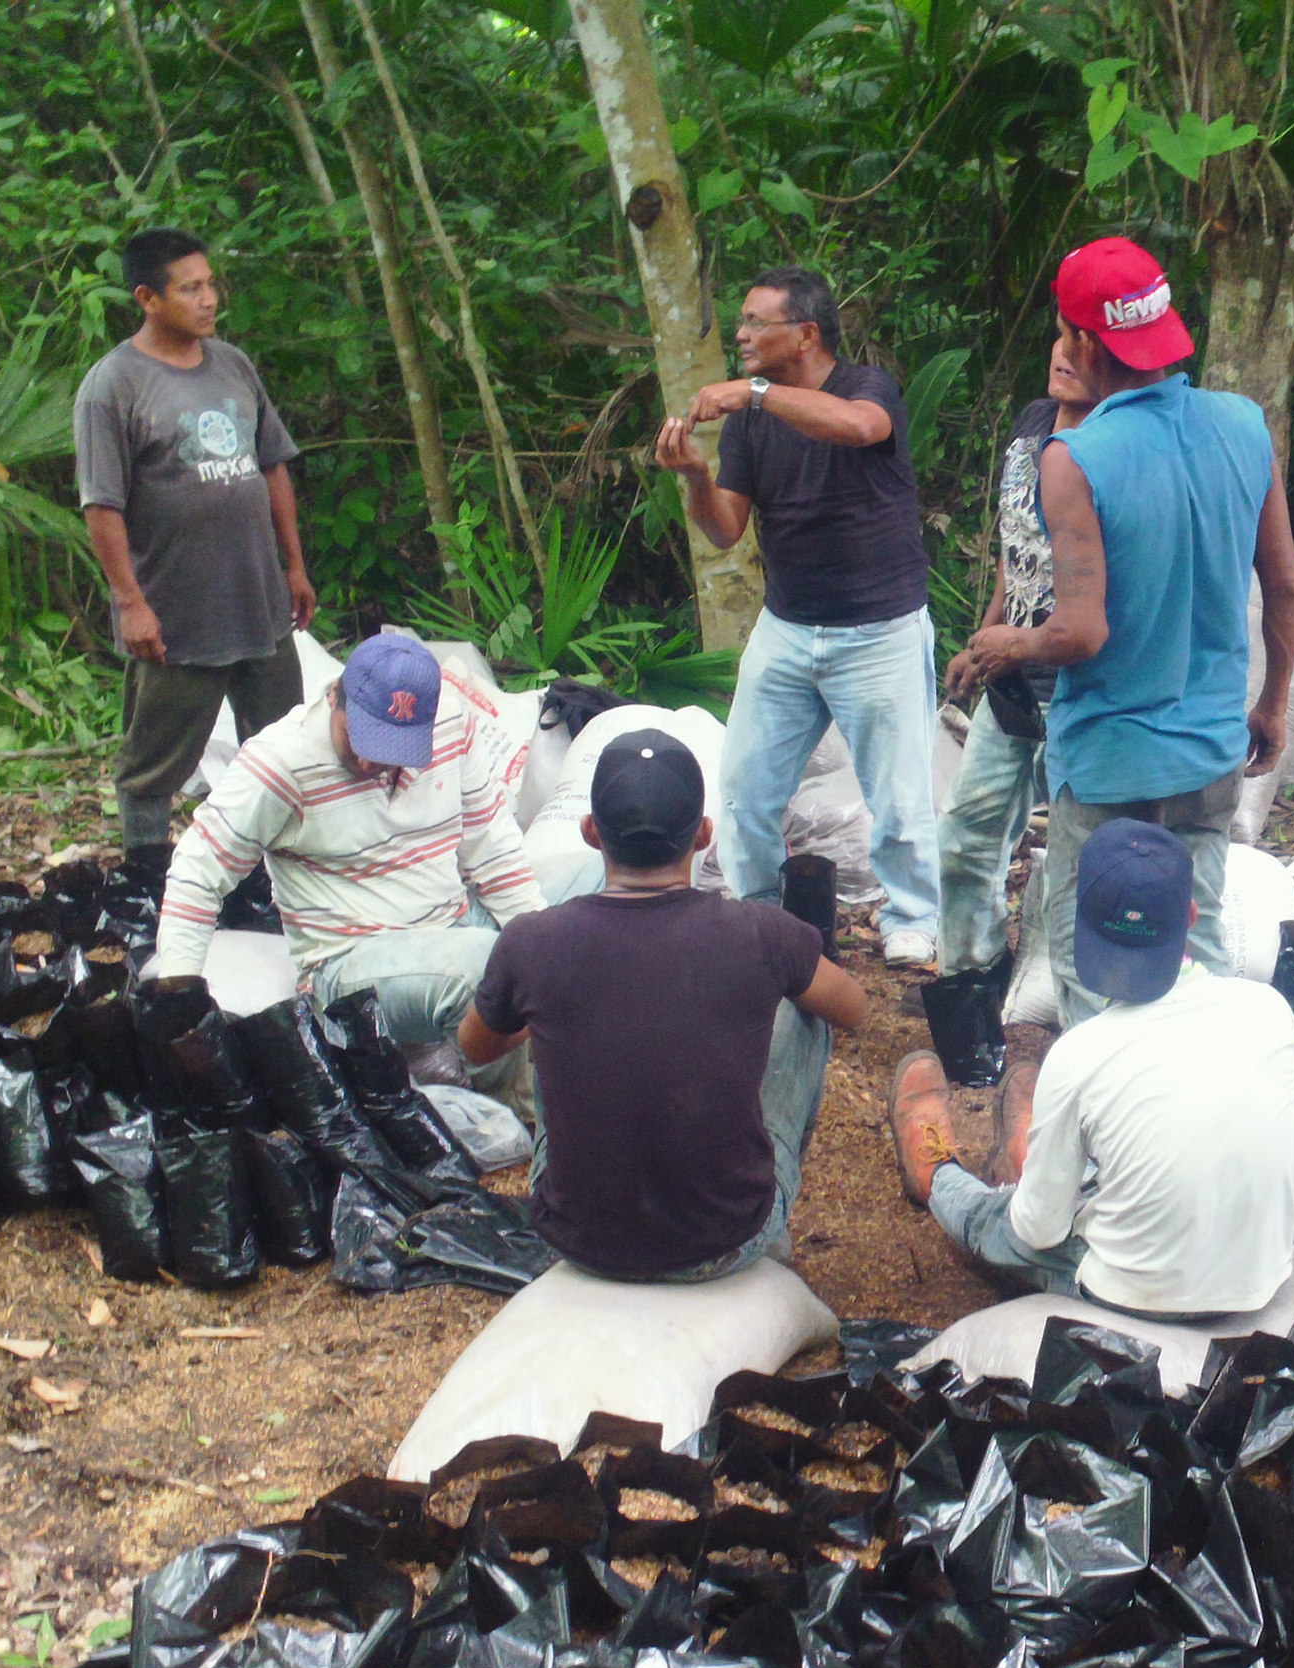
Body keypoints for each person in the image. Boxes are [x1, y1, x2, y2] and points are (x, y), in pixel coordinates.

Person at [962, 237, 1294, 1028]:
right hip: (1211, 747)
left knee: (1091, 952)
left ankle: (1101, 1124)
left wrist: (1004, 644)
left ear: (1085, 342)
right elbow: (1285, 585)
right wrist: (1274, 706)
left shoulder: (1075, 456)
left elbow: (1080, 632)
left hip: (1112, 756)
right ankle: (1199, 1098)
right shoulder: (1243, 425)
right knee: (1201, 933)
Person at [458, 729, 869, 1281]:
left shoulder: (532, 940)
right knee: (805, 1011)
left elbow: (475, 1047)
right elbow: (853, 1008)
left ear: (589, 833)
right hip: (724, 1241)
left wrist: (551, 1020)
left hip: (578, 1240)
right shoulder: (762, 933)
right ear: (703, 836)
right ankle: (768, 1226)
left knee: (547, 1024)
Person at [890, 819, 1294, 1318]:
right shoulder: (1268, 1008)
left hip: (1135, 1295)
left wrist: (1032, 1207)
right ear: (1192, 916)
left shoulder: (1081, 1053)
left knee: (997, 1221)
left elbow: (1038, 1232)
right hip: (1260, 1280)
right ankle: (1034, 1158)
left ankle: (937, 1174)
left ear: (1077, 920)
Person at [652, 266, 942, 966]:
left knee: (899, 798)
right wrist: (695, 475)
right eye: (742, 322)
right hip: (786, 627)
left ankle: (913, 917)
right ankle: (759, 917)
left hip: (879, 629)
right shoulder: (754, 423)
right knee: (746, 788)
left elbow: (860, 427)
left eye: (756, 322)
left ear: (806, 333)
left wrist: (752, 391)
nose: (742, 334)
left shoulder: (867, 387)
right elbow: (726, 529)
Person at [152, 635, 542, 1097]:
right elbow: (198, 873)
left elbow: (493, 849)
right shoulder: (281, 763)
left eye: (391, 747)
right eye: (359, 736)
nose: (366, 758)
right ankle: (515, 1110)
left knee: (580, 914)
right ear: (334, 696)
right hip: (349, 960)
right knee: (491, 969)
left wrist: (545, 944)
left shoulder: (452, 724)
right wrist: (180, 1006)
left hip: (451, 920)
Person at [75, 227, 317, 877]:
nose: (209, 299)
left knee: (280, 748)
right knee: (155, 759)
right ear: (148, 298)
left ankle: (277, 879)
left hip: (258, 599)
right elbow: (102, 505)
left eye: (211, 284)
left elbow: (272, 467)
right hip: (176, 611)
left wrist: (292, 565)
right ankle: (147, 878)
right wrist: (131, 603)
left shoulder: (233, 365)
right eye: (191, 288)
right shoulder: (113, 386)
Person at [934, 339, 1098, 977]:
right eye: (1061, 337)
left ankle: (1066, 992)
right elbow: (1017, 546)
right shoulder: (1033, 425)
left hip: (1085, 681)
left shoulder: (1117, 442)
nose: (1062, 354)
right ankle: (971, 976)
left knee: (1075, 859)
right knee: (965, 837)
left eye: (1084, 345)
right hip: (1011, 677)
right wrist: (984, 637)